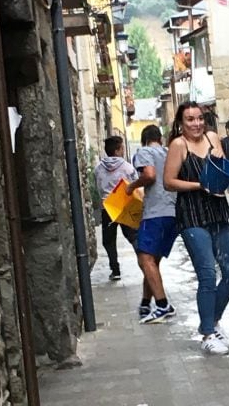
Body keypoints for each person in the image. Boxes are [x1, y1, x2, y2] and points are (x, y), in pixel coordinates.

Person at [163, 101, 229, 355]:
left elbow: (223, 171)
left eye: (199, 118)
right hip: (192, 216)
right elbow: (168, 182)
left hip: (218, 212)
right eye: (189, 119)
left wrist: (224, 170)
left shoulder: (212, 138)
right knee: (207, 274)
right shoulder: (178, 145)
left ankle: (212, 321)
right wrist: (199, 185)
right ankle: (208, 334)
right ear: (181, 123)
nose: (196, 123)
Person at [126, 125, 178, 323]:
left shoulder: (144, 152)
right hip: (173, 213)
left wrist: (132, 186)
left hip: (155, 212)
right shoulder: (169, 152)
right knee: (152, 262)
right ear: (160, 139)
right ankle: (146, 303)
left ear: (143, 140)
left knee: (145, 259)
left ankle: (163, 305)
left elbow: (149, 175)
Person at [94, 136, 138, 281]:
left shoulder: (98, 168)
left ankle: (115, 269)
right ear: (118, 150)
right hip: (124, 206)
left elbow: (99, 188)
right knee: (133, 236)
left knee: (108, 240)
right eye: (122, 149)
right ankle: (145, 263)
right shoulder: (127, 167)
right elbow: (134, 185)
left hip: (108, 207)